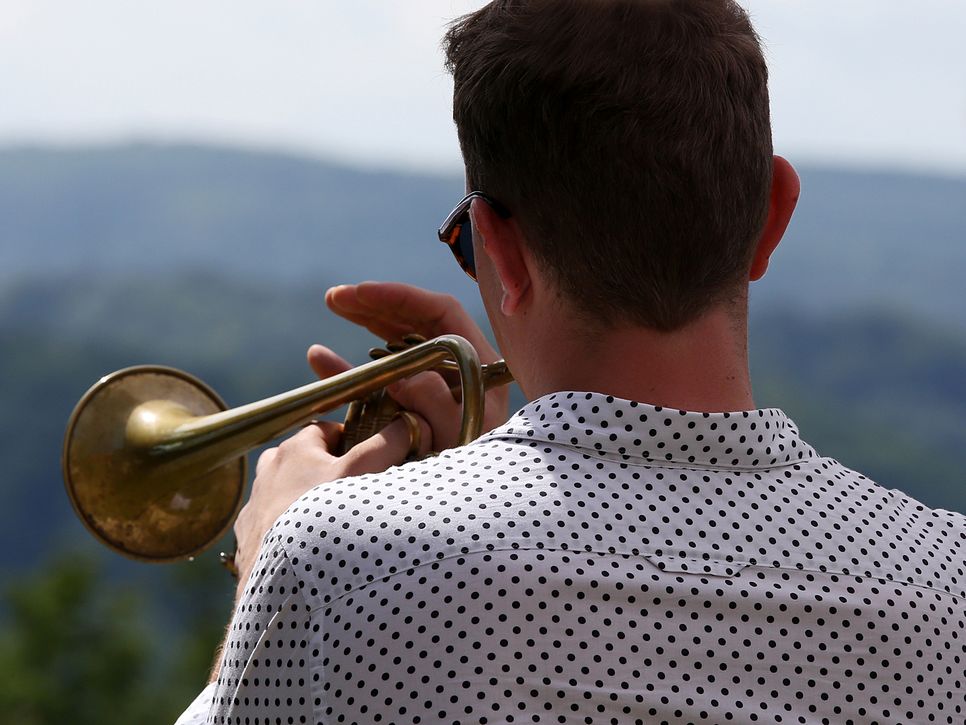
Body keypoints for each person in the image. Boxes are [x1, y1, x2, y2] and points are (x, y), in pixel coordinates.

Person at [177, 1, 966, 723]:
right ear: (772, 214)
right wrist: (491, 456)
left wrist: (269, 560)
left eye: (465, 244)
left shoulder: (335, 558)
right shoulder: (946, 583)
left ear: (499, 248)